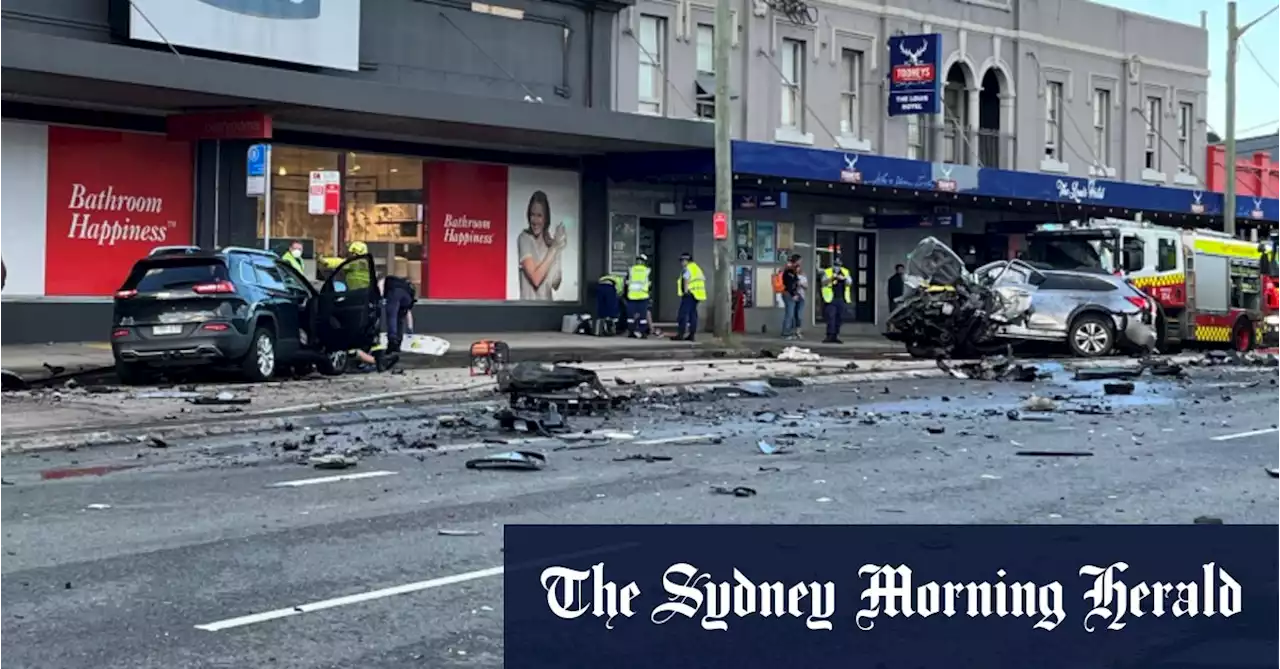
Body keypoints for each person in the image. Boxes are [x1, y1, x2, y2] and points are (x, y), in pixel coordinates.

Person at [516, 190, 566, 301]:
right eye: (532, 215)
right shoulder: (524, 239)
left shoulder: (550, 244)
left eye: (539, 215)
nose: (535, 220)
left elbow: (555, 285)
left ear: (546, 218)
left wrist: (559, 248)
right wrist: (554, 249)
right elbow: (536, 279)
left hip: (547, 309)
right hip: (528, 312)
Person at [380, 275, 416, 354]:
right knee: (400, 319)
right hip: (407, 298)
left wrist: (380, 298)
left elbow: (380, 287)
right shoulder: (406, 285)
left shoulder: (386, 279)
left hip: (395, 294)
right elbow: (408, 313)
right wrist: (410, 329)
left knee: (392, 316)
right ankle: (398, 344)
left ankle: (392, 341)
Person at [675, 252, 706, 341]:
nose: (681, 263)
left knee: (682, 314)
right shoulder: (696, 268)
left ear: (686, 260)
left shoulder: (687, 269)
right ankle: (692, 334)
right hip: (697, 295)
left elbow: (686, 280)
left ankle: (681, 333)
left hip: (689, 294)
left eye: (682, 261)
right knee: (693, 314)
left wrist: (685, 291)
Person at [821, 256, 852, 344]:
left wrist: (844, 279)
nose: (837, 267)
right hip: (830, 299)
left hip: (841, 299)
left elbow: (849, 282)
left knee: (839, 318)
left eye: (838, 265)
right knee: (831, 317)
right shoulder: (828, 272)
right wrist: (832, 278)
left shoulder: (845, 272)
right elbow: (823, 282)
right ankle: (829, 335)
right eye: (835, 265)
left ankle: (835, 336)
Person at [625, 254, 652, 338]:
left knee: (630, 316)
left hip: (632, 297)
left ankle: (631, 332)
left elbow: (626, 283)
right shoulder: (647, 271)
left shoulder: (631, 270)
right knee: (643, 317)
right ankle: (643, 333)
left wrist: (625, 295)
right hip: (643, 296)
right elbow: (650, 285)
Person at [780, 254, 804, 340]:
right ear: (796, 261)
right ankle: (786, 333)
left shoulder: (793, 271)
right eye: (800, 261)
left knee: (793, 313)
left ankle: (792, 331)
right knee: (789, 313)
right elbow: (789, 285)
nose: (801, 263)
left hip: (792, 293)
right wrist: (793, 295)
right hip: (788, 294)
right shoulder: (789, 271)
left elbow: (795, 282)